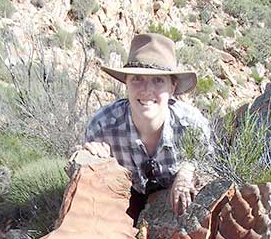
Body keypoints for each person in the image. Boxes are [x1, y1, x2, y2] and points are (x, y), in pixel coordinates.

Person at [84, 32, 214, 219]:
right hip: (122, 206)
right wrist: (93, 158)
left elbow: (206, 163)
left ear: (172, 88)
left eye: (158, 80)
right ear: (126, 83)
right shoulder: (103, 126)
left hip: (174, 210)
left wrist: (186, 173)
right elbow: (88, 180)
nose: (146, 90)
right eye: (137, 78)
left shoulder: (192, 126)